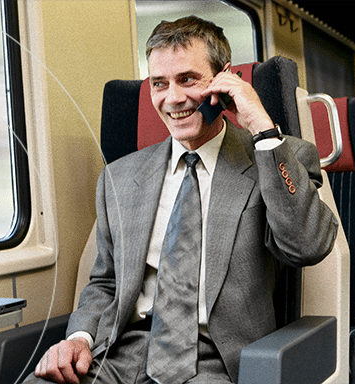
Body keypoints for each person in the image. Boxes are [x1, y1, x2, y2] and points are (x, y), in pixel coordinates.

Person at [25, 16, 338, 384]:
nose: (173, 98)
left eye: (188, 80)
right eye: (160, 83)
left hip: (214, 360)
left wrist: (261, 128)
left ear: (225, 79)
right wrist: (79, 338)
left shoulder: (277, 157)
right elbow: (106, 282)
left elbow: (307, 247)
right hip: (118, 356)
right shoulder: (120, 178)